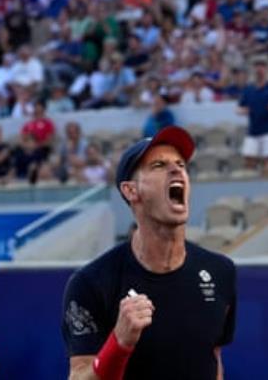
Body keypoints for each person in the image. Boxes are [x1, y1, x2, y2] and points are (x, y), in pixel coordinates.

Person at [62, 126, 236, 379]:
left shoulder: (221, 272)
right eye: (158, 165)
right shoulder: (91, 282)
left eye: (180, 164)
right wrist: (119, 343)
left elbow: (214, 358)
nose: (176, 169)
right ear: (131, 191)